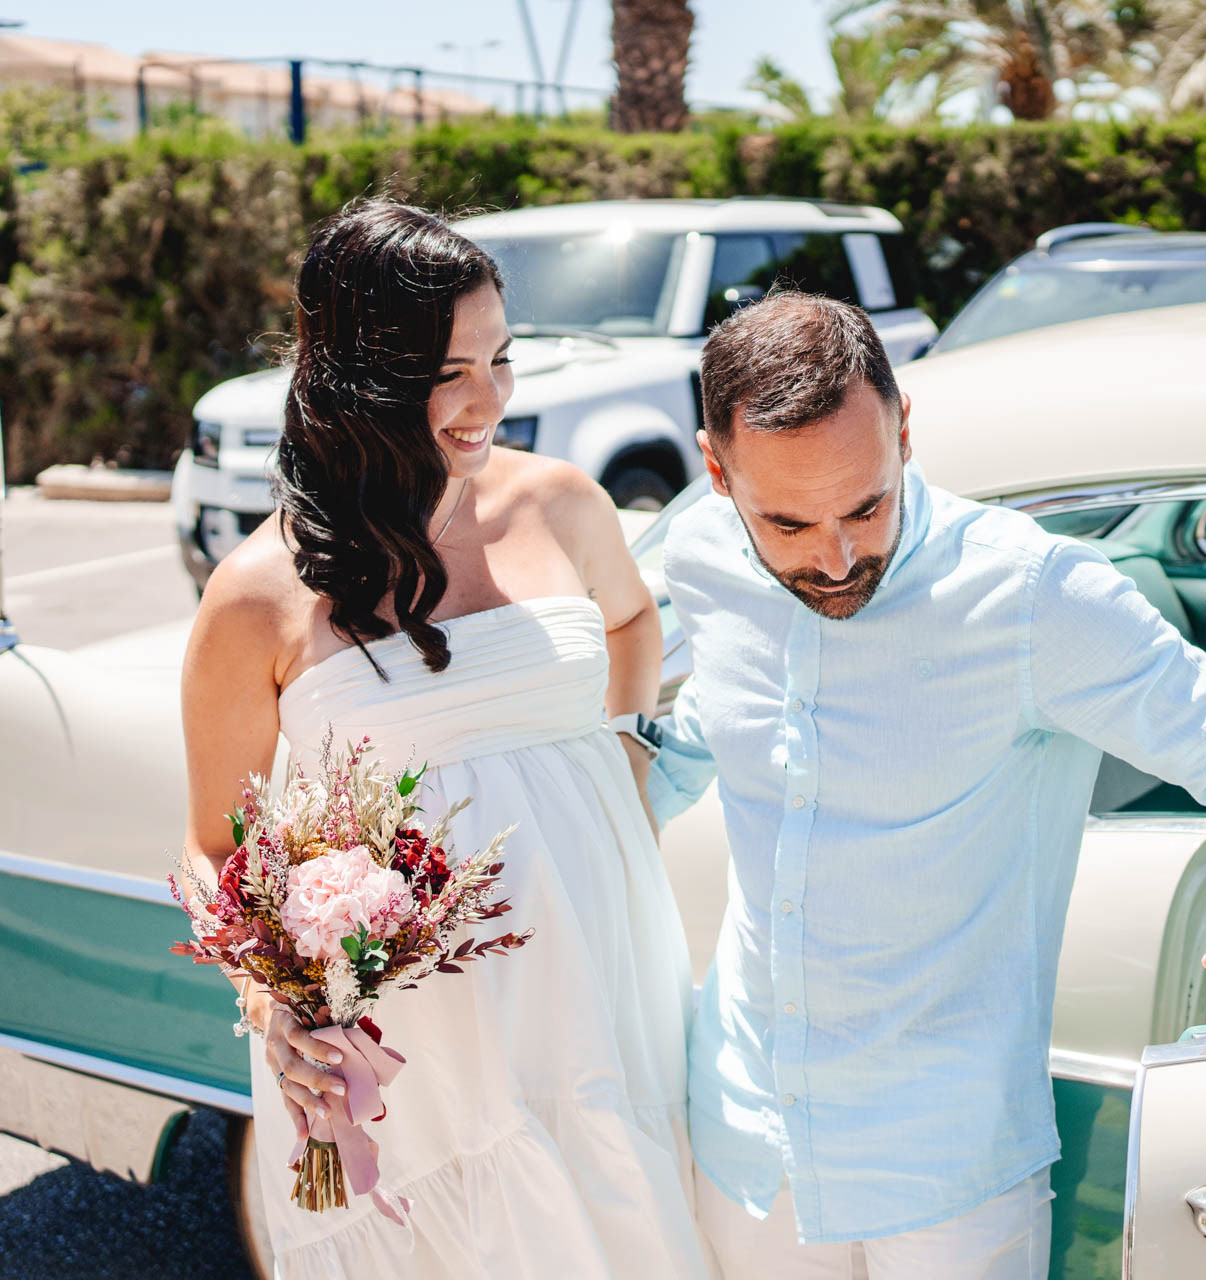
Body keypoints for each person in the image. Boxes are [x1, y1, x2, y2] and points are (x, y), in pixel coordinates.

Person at [648, 292, 1206, 1279]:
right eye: (786, 521)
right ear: (715, 468)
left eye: (866, 504)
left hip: (949, 1172)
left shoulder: (1033, 596)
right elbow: (707, 724)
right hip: (739, 1139)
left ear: (904, 429)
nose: (834, 558)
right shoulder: (697, 549)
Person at [179, 202, 708, 1278]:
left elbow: (633, 618)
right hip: (414, 1057)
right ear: (356, 376)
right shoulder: (257, 595)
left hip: (601, 986)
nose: (490, 401)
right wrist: (271, 998)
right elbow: (211, 854)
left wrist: (628, 756)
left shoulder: (560, 502)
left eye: (503, 359)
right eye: (449, 371)